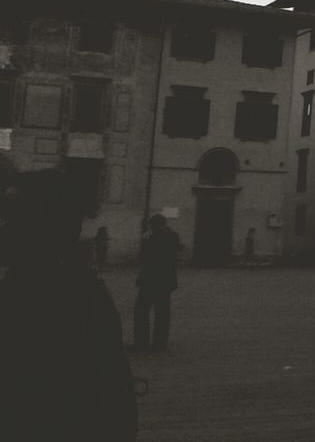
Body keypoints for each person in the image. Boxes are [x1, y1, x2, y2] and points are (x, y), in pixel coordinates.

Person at [0, 169, 138, 440]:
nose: (4, 228)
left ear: (44, 228)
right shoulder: (77, 287)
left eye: (13, 219)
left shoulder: (62, 296)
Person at [134, 213, 180, 349]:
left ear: (154, 225)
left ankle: (141, 342)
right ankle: (160, 342)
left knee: (141, 310)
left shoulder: (153, 237)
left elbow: (148, 258)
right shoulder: (174, 236)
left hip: (151, 280)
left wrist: (146, 240)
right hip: (166, 280)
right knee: (162, 312)